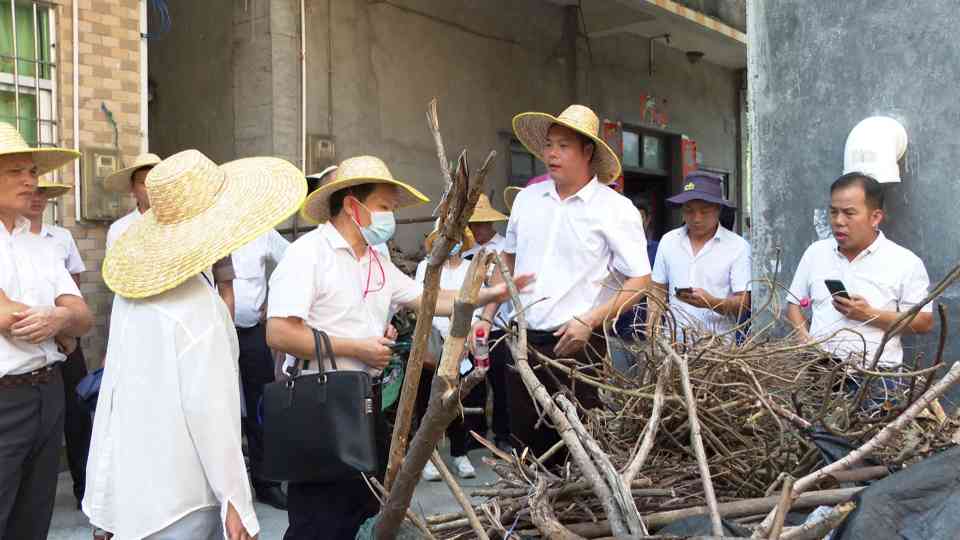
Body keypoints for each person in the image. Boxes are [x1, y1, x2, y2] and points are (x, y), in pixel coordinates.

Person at [266, 155, 532, 540]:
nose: (389, 217)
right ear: (352, 206)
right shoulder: (309, 254)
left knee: (364, 507)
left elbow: (428, 297)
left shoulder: (375, 260)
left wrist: (489, 293)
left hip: (364, 401)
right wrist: (357, 348)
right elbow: (279, 333)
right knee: (319, 518)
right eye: (384, 207)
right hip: (320, 404)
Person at [84, 149, 306, 539]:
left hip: (134, 496)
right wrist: (237, 502)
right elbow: (213, 415)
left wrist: (102, 502)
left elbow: (112, 396)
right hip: (183, 500)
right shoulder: (199, 308)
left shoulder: (131, 296)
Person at [475, 104, 652, 464]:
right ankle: (528, 516)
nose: (552, 154)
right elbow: (508, 259)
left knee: (576, 446)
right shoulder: (527, 200)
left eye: (564, 146)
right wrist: (486, 313)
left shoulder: (615, 210)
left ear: (588, 151)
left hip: (577, 342)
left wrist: (592, 319)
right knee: (525, 443)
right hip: (522, 338)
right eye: (549, 145)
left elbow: (641, 279)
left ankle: (578, 519)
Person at [0, 122, 92, 540]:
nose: (29, 181)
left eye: (32, 171)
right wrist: (58, 322)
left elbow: (82, 316)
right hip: (5, 398)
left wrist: (60, 321)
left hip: (46, 390)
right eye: (15, 171)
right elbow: (9, 320)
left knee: (34, 517)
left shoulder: (40, 243)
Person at [787, 172, 932, 372]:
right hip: (819, 371)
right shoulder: (815, 253)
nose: (838, 221)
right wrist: (804, 338)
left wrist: (868, 314)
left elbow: (923, 322)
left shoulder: (905, 262)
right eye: (833, 212)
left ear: (875, 217)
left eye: (849, 213)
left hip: (876, 375)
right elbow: (794, 304)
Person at [25, 180, 93, 510]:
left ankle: (84, 486)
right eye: (31, 192)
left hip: (66, 343)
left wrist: (67, 332)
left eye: (42, 193)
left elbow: (74, 299)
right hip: (30, 348)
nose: (35, 198)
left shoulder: (60, 239)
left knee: (77, 412)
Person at [104, 152, 237, 317]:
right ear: (132, 188)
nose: (151, 188)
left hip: (198, 316)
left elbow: (226, 286)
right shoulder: (120, 230)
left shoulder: (198, 224)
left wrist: (228, 332)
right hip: (144, 317)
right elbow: (119, 284)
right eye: (143, 183)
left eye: (155, 182)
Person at [415, 227, 485, 480]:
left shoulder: (469, 268)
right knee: (427, 401)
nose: (450, 244)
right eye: (445, 240)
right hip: (434, 342)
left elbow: (477, 303)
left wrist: (468, 334)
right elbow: (422, 302)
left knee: (458, 400)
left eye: (454, 240)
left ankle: (459, 453)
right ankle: (427, 458)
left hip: (462, 343)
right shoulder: (427, 267)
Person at [647, 171, 751, 338]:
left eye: (704, 211)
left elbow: (744, 303)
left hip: (718, 350)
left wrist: (712, 303)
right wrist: (652, 332)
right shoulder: (668, 241)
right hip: (672, 346)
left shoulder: (738, 247)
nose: (696, 218)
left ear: (718, 209)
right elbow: (657, 290)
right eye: (689, 211)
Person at [231, 227, 290, 510]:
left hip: (252, 331)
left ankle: (267, 483)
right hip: (213, 334)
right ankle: (226, 491)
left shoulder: (259, 230)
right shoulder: (201, 226)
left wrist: (275, 301)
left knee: (260, 407)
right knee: (219, 408)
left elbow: (292, 261)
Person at [461, 193, 513, 451]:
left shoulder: (505, 249)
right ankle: (475, 431)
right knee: (473, 381)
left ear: (490, 223)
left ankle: (503, 433)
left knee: (501, 382)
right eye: (471, 225)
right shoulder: (465, 253)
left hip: (499, 327)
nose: (475, 230)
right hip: (471, 327)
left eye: (479, 224)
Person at [610, 194, 660, 372]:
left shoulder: (659, 250)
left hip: (646, 338)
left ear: (647, 220)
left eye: (640, 218)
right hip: (616, 334)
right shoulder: (612, 252)